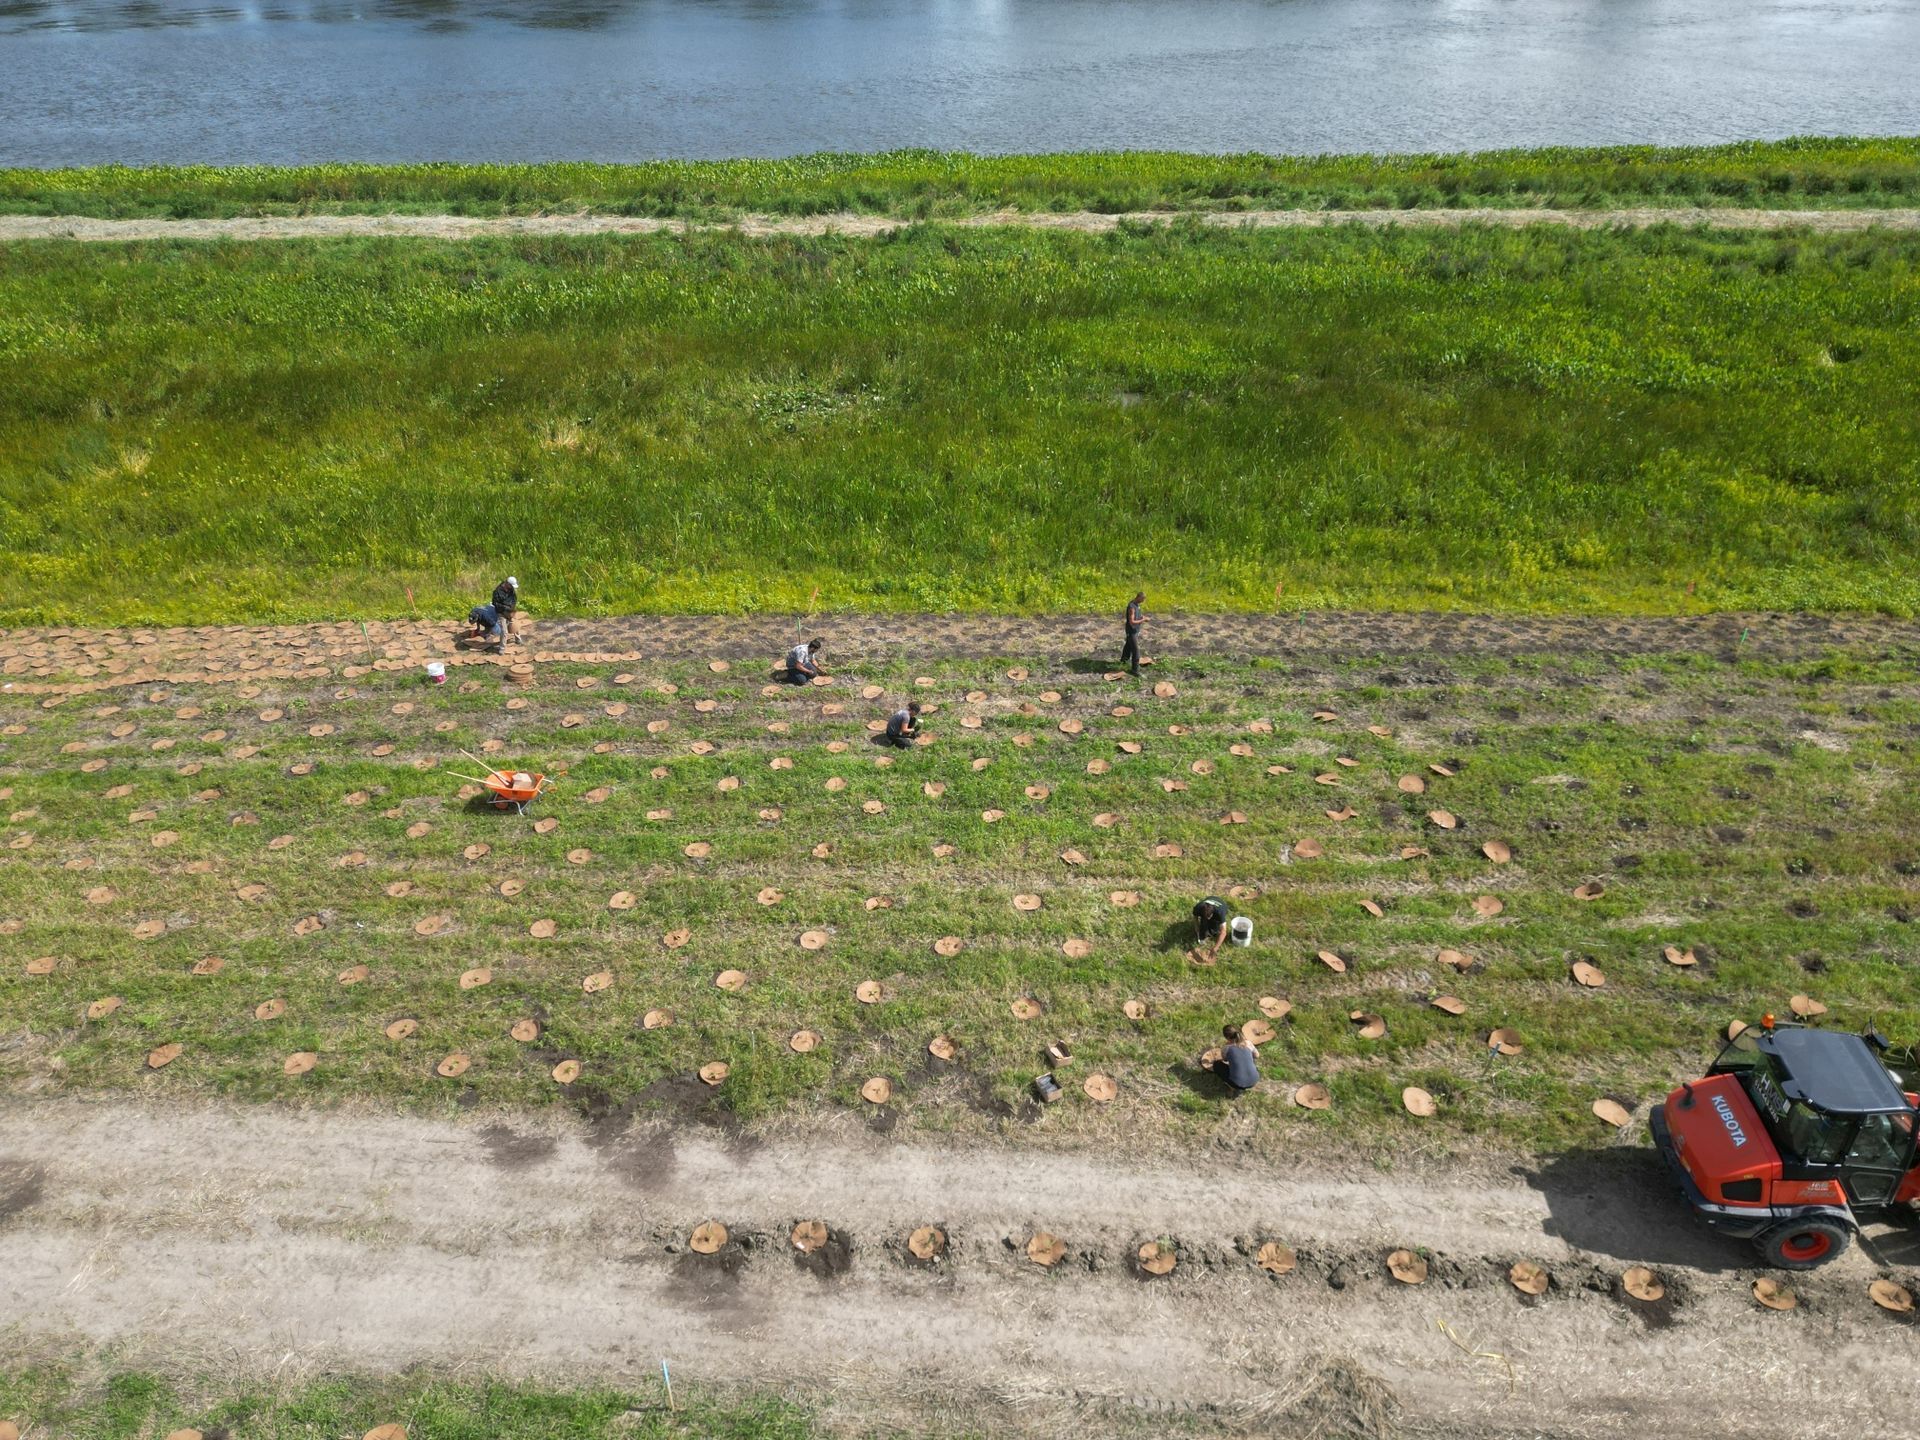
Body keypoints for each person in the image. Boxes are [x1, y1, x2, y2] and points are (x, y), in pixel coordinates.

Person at [1205, 1023, 1260, 1095]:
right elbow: (1257, 1055)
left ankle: (1232, 1086)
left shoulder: (1226, 1048)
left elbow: (1224, 1060)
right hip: (1254, 1080)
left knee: (1217, 1065)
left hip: (1237, 1084)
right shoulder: (1248, 1043)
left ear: (1227, 1038)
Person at [1192, 895, 1231, 963]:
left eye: (1209, 917)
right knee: (1203, 926)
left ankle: (1213, 925)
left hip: (1221, 905)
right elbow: (1195, 917)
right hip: (1210, 899)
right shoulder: (1198, 907)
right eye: (1206, 917)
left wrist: (1215, 948)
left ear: (1212, 913)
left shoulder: (1220, 912)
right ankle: (1205, 923)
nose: (1208, 918)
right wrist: (1197, 927)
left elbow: (1223, 932)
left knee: (1214, 931)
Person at [1121, 591, 1147, 675]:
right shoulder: (1132, 607)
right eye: (1142, 599)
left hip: (1134, 631)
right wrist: (1143, 620)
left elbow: (1136, 616)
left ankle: (1124, 661)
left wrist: (1141, 617)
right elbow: (1132, 622)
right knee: (1136, 651)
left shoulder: (1137, 605)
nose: (1143, 601)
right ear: (1138, 597)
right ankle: (1135, 670)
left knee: (1128, 645)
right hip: (1131, 631)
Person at [491, 577, 521, 644]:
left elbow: (514, 599)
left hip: (510, 611)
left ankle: (518, 640)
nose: (512, 587)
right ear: (507, 584)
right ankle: (502, 648)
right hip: (501, 613)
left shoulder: (511, 590)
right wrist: (505, 608)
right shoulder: (497, 592)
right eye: (511, 586)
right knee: (504, 631)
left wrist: (511, 608)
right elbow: (495, 603)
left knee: (515, 625)